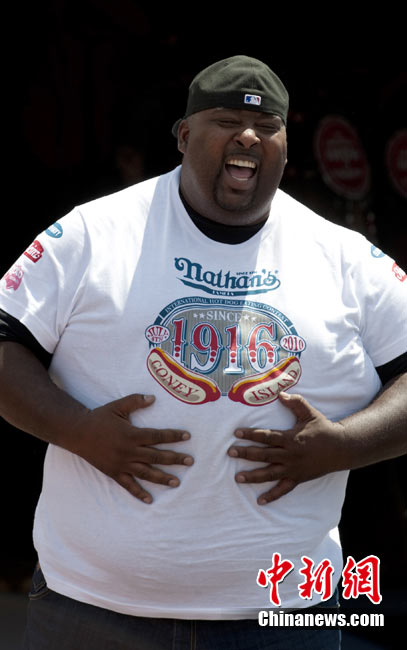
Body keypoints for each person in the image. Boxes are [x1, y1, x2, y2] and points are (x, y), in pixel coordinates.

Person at [0, 55, 406, 650]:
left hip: (284, 621)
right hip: (90, 610)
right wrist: (77, 430)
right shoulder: (94, 235)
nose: (249, 137)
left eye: (267, 126)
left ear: (286, 149)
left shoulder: (344, 258)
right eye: (226, 121)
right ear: (185, 135)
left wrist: (345, 445)